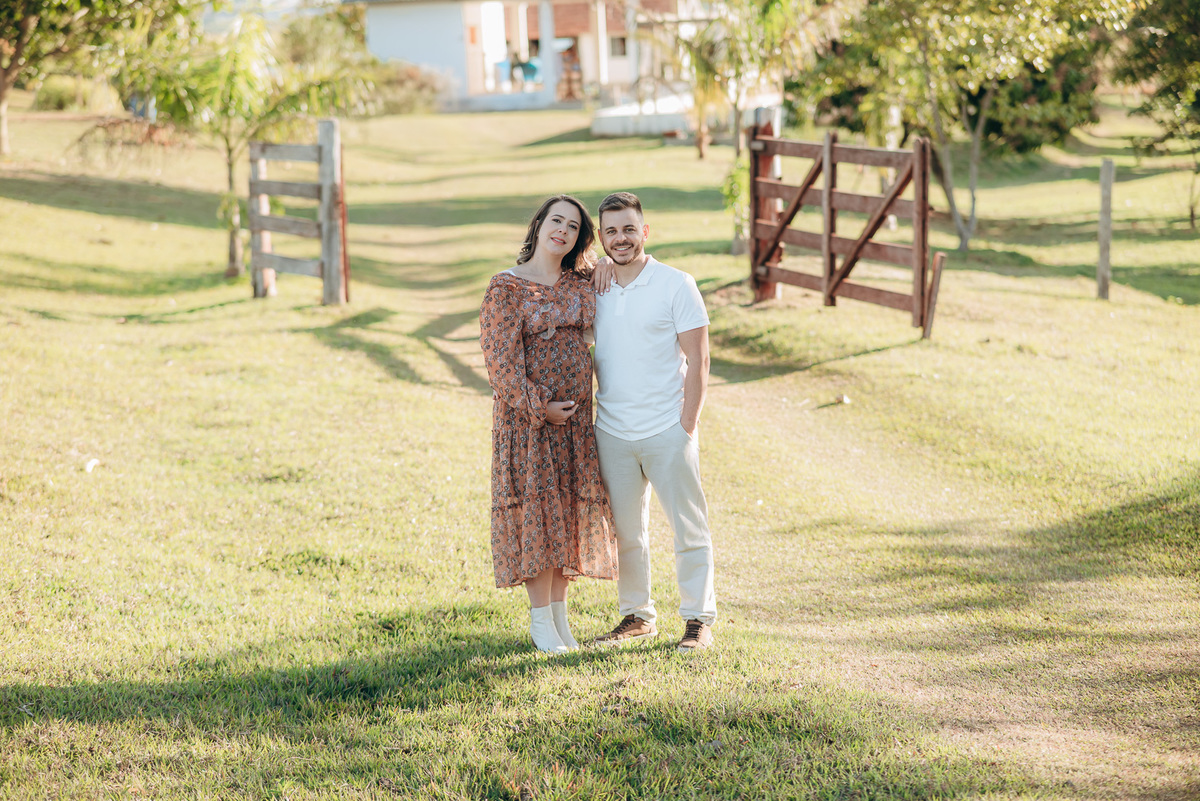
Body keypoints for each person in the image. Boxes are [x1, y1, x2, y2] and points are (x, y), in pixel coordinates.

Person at [479, 194, 618, 654]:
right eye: (556, 220)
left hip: (575, 428)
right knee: (538, 517)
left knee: (565, 518)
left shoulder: (581, 283)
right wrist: (541, 407)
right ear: (539, 225)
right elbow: (500, 365)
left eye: (573, 227)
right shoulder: (506, 287)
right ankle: (541, 622)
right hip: (529, 425)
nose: (563, 230)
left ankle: (560, 619)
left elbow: (625, 268)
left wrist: (601, 267)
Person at [589, 191, 717, 653]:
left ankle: (698, 619)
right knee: (627, 533)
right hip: (613, 430)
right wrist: (591, 265)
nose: (620, 239)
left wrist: (686, 425)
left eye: (628, 229)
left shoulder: (676, 284)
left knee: (688, 527)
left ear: (645, 231)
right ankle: (637, 616)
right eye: (610, 231)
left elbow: (699, 360)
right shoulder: (594, 285)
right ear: (601, 238)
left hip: (667, 428)